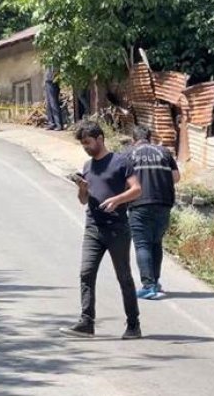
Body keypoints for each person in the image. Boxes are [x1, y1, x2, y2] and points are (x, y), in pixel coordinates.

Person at [60, 121, 143, 340]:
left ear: (100, 138)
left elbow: (136, 189)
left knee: (123, 276)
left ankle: (133, 325)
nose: (86, 147)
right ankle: (86, 322)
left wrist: (117, 199)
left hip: (117, 228)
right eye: (83, 144)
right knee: (86, 273)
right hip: (93, 227)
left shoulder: (120, 162)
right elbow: (82, 200)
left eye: (88, 142)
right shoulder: (87, 166)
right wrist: (82, 189)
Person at [128, 125, 180, 300]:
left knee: (142, 244)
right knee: (156, 243)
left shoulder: (129, 154)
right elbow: (176, 177)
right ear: (149, 137)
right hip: (164, 203)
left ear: (133, 139)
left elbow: (122, 180)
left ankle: (148, 286)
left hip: (139, 204)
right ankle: (155, 282)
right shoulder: (164, 152)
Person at [44, 66, 64, 131]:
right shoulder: (47, 60)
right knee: (49, 105)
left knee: (53, 104)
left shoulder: (52, 59)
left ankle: (59, 125)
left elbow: (54, 72)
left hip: (52, 82)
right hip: (48, 82)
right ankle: (51, 123)